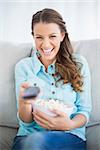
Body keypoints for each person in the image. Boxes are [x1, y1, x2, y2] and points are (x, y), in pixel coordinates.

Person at [12, 8, 92, 150]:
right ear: (33, 37)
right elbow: (26, 121)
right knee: (35, 142)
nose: (46, 44)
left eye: (52, 36)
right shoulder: (24, 67)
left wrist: (70, 124)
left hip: (69, 136)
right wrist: (24, 103)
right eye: (39, 37)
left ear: (62, 35)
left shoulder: (78, 64)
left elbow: (84, 111)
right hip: (29, 136)